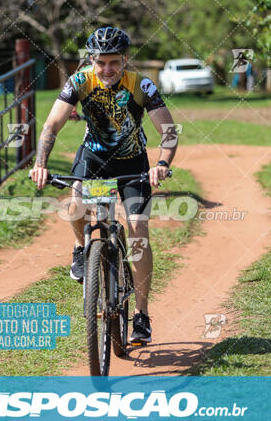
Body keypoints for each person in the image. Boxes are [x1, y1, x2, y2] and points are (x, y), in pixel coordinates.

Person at [30, 27, 178, 343]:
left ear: (125, 60)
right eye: (101, 63)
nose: (108, 69)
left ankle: (141, 315)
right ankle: (83, 250)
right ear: (91, 60)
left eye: (114, 62)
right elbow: (52, 124)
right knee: (74, 206)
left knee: (137, 229)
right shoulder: (79, 81)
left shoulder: (142, 85)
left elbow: (168, 131)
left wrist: (162, 164)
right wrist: (41, 163)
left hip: (132, 163)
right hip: (94, 160)